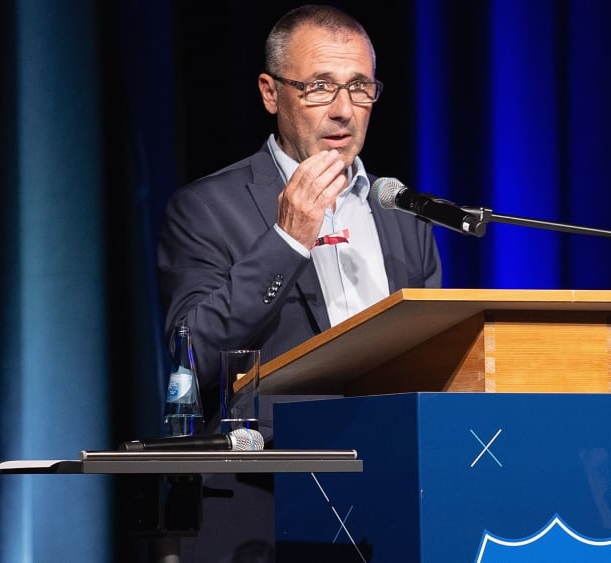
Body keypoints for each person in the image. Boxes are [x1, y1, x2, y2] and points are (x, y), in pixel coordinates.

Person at [154, 6, 441, 560]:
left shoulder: (403, 214)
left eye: (359, 87)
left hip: (392, 496)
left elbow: (431, 358)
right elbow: (194, 354)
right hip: (264, 500)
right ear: (271, 93)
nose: (343, 109)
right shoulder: (206, 208)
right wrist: (287, 240)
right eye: (319, 87)